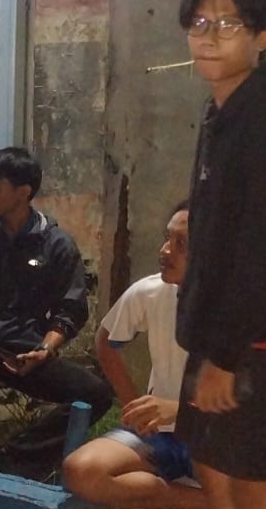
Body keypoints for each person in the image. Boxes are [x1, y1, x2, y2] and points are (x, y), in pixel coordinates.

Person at [173, 0, 266, 509]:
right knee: (214, 475)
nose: (209, 36)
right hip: (224, 335)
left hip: (259, 340)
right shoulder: (224, 111)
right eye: (199, 22)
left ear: (264, 36)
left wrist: (226, 357)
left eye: (229, 24)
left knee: (251, 489)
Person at [0, 147, 113, 458]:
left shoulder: (56, 245)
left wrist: (45, 350)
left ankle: (16, 456)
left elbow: (70, 309)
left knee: (96, 394)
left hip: (20, 349)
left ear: (23, 192)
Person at [63, 201, 206, 509]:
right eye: (167, 238)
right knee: (81, 472)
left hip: (215, 441)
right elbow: (105, 342)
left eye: (181, 244)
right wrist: (132, 404)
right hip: (162, 435)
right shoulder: (151, 292)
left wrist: (179, 410)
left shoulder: (236, 313)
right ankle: (167, 496)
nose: (165, 251)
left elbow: (252, 399)